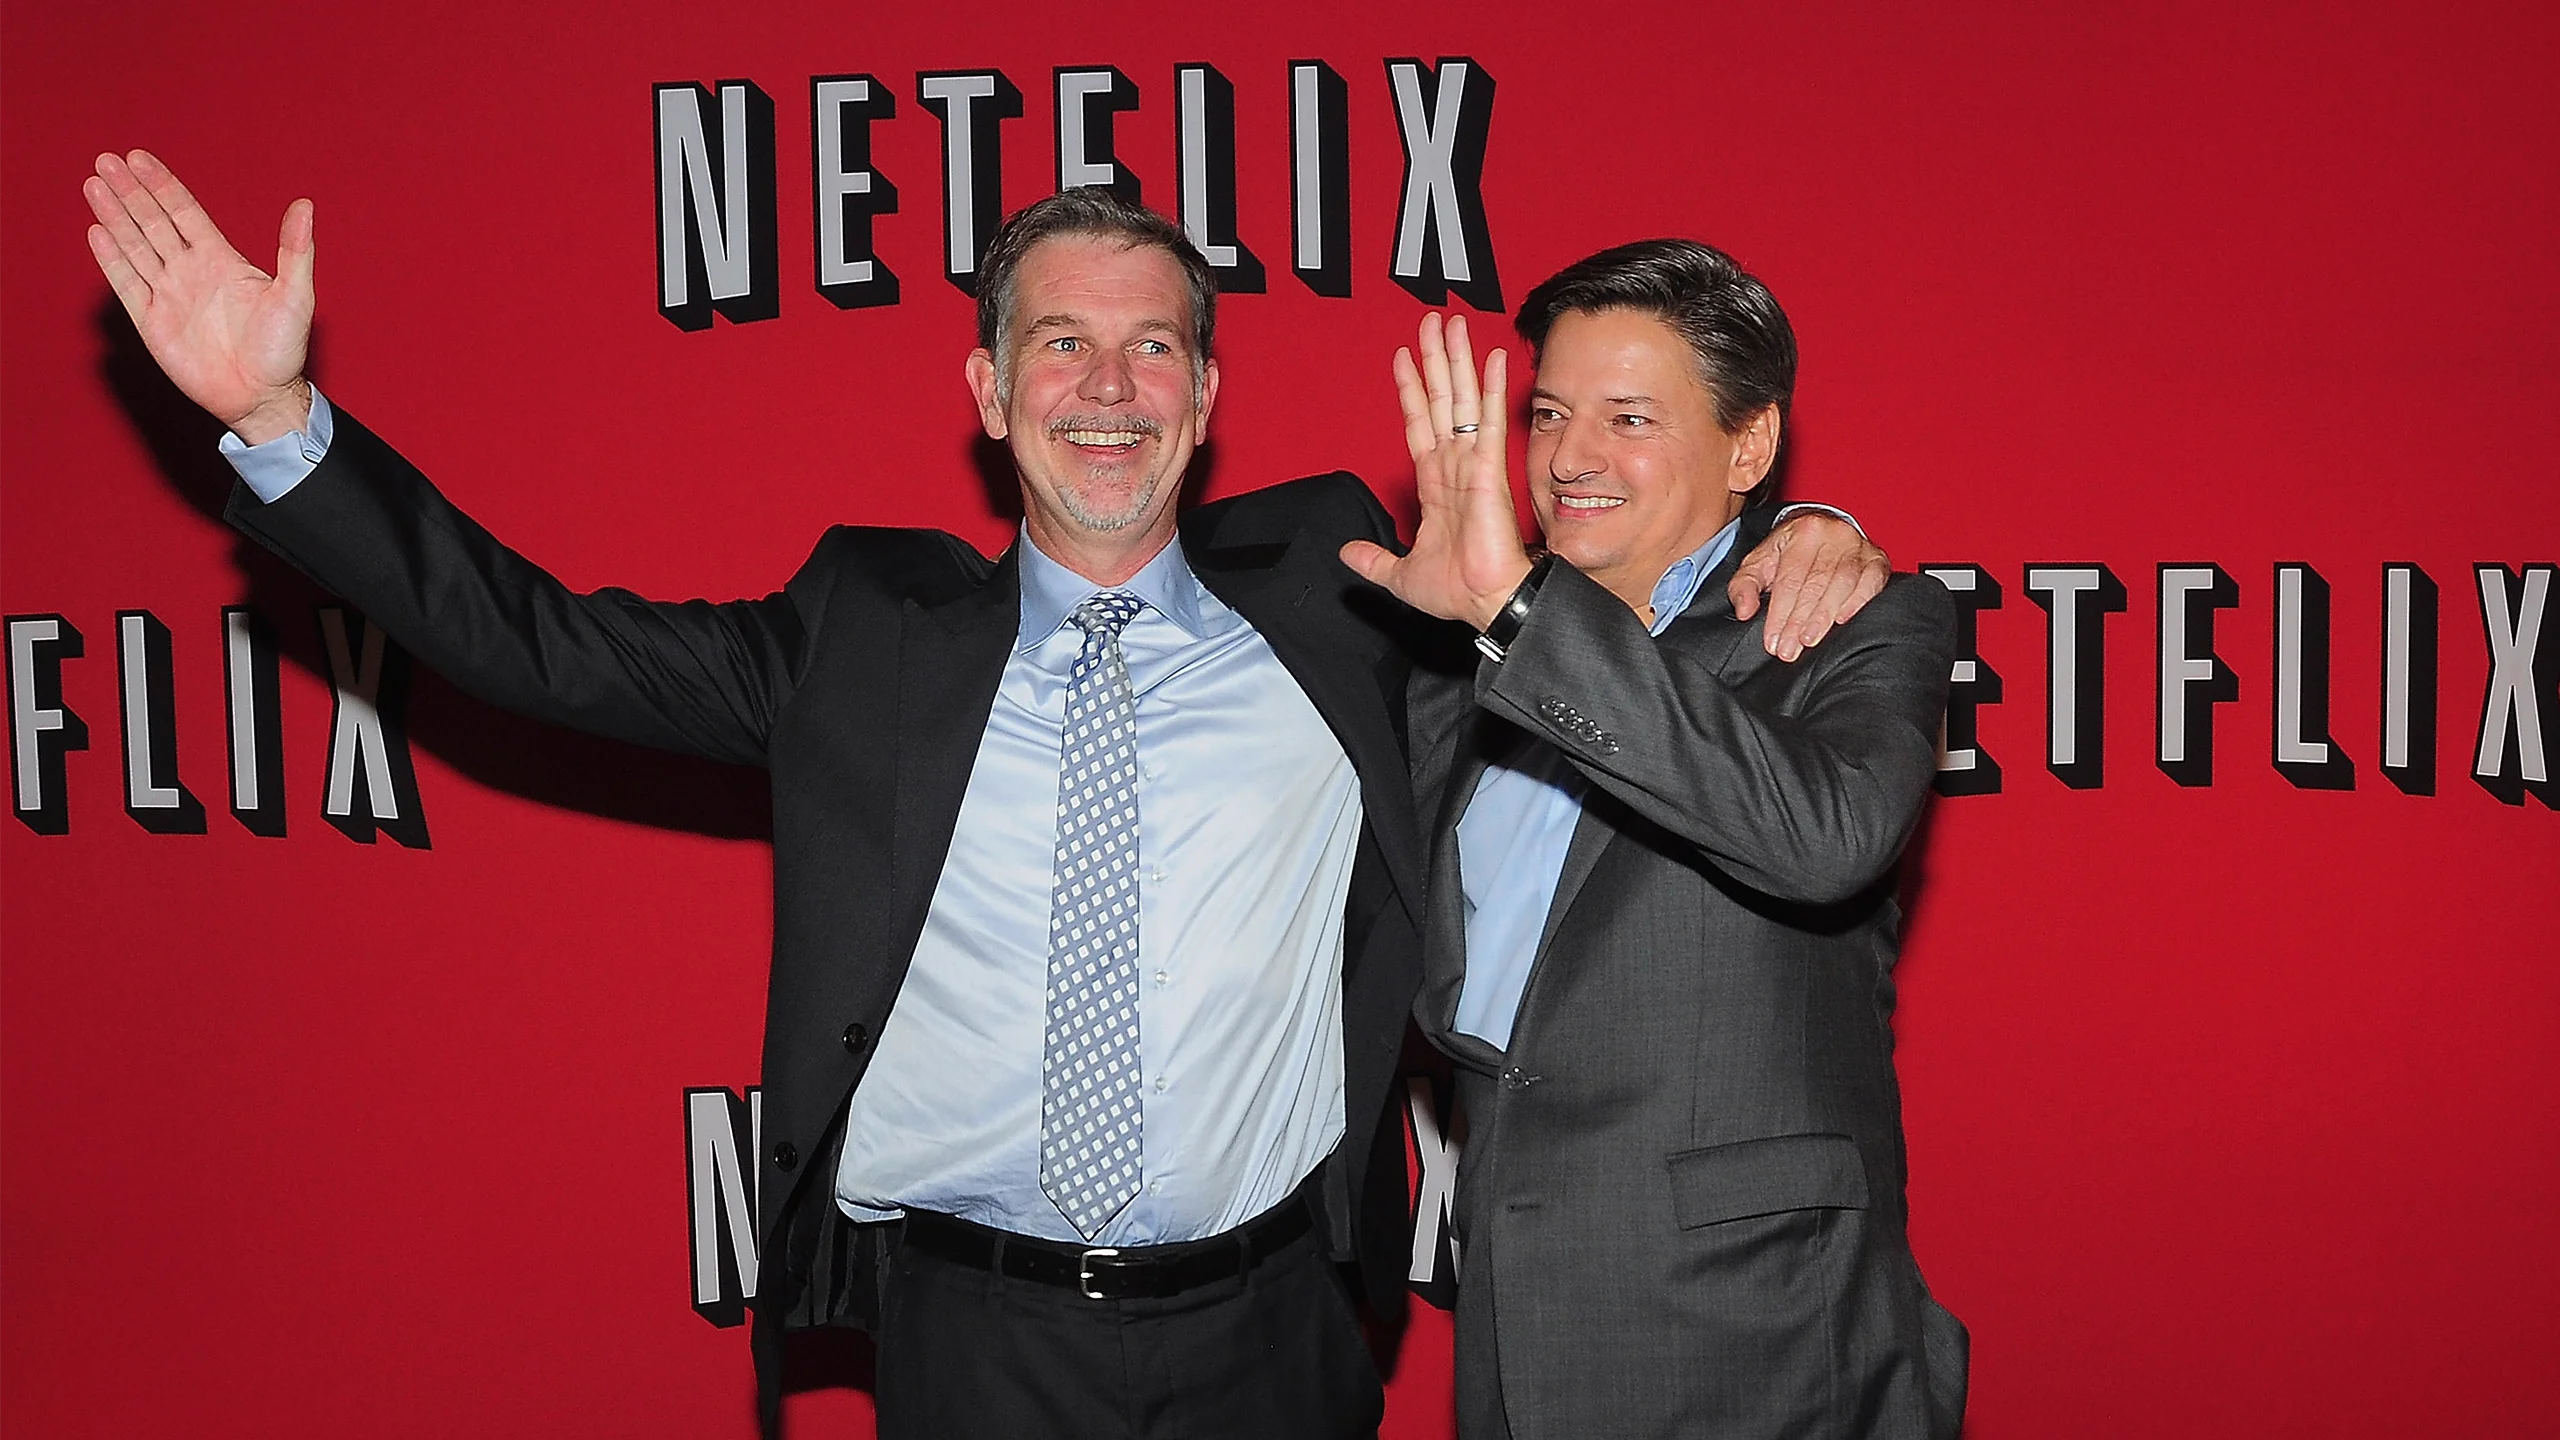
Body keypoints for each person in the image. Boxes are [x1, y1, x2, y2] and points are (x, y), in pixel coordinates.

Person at [82, 149, 1889, 1438]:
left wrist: (1794, 528)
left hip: (1281, 1338)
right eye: (1060, 344)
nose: (1108, 387)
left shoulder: (1353, 602)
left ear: (1208, 395)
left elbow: (1600, 595)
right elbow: (536, 642)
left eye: (1155, 346)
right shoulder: (859, 636)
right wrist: (285, 427)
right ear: (988, 389)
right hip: (971, 1346)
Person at [1342, 243, 1968, 1439]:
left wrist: (1523, 610)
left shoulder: (1848, 623)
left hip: (1758, 1335)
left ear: (1748, 446)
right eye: (1548, 415)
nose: (1569, 457)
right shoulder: (1452, 658)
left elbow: (1825, 837)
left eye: (1628, 419)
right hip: (1516, 1314)